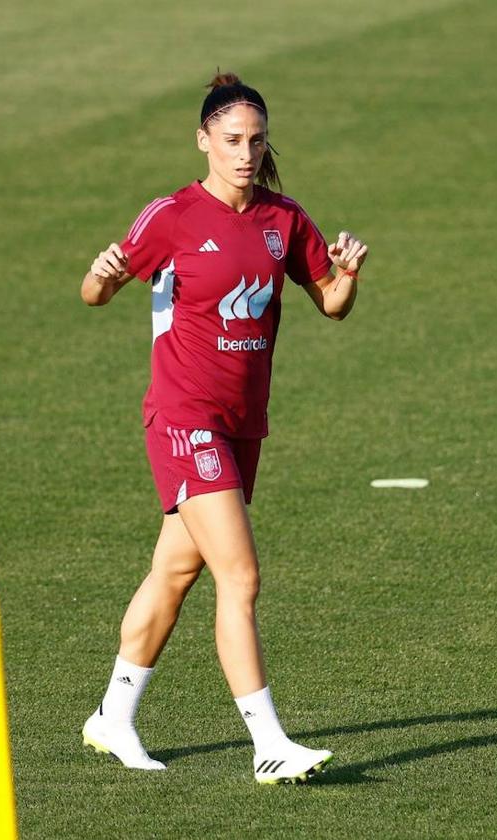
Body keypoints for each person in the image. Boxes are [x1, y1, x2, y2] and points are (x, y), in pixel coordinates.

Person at [78, 72, 368, 784]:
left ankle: (112, 718)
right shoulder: (172, 216)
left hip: (242, 425)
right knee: (240, 576)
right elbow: (96, 291)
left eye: (256, 140)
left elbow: (329, 303)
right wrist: (103, 275)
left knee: (176, 570)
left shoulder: (283, 220)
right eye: (232, 140)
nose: (245, 153)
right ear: (203, 140)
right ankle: (268, 743)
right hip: (184, 417)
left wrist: (348, 274)